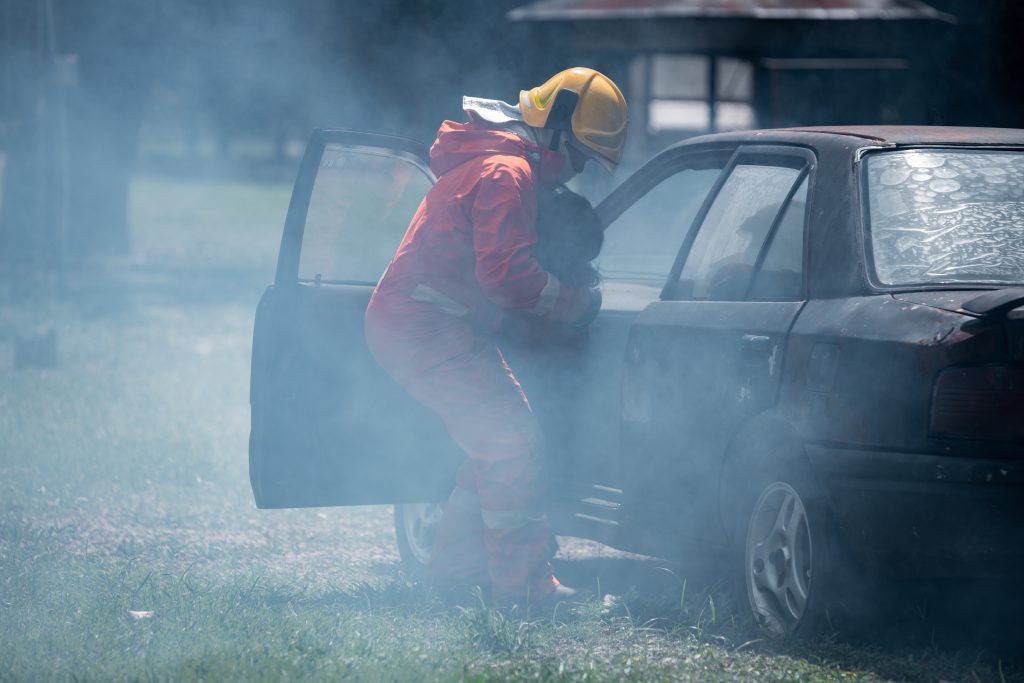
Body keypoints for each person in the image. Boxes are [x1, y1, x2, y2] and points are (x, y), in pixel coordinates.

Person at [364, 67, 628, 606]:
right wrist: (578, 306)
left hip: (426, 323)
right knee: (514, 444)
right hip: (424, 326)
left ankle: (459, 572)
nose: (574, 175)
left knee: (494, 447)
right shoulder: (509, 172)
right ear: (555, 130)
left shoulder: (499, 165)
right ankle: (526, 591)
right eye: (579, 157)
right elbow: (506, 276)